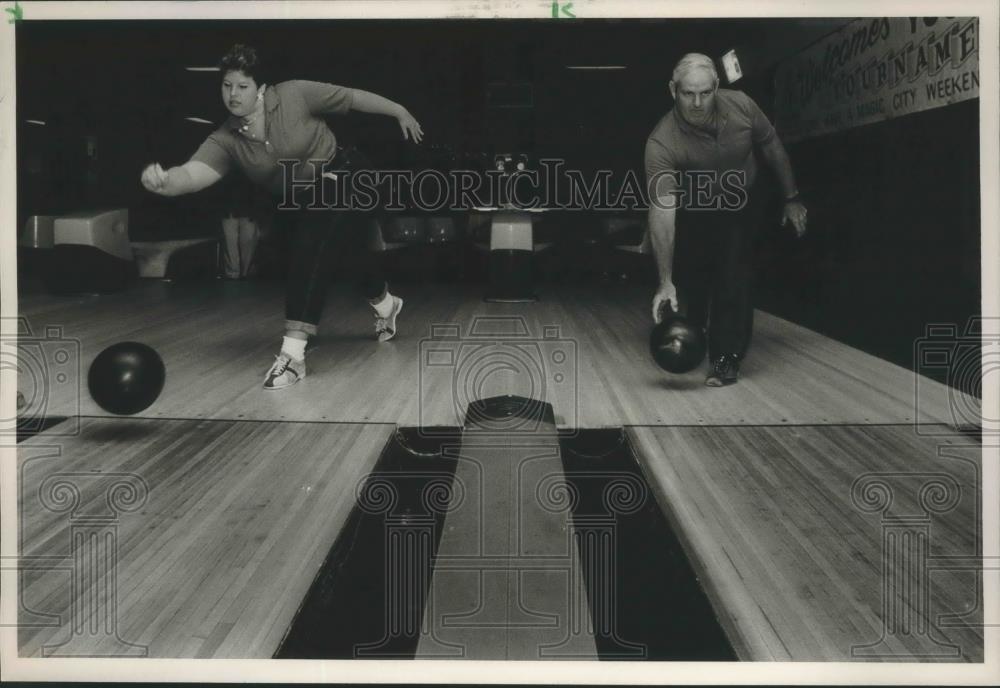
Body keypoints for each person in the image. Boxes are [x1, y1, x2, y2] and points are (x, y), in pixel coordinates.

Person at [140, 44, 423, 390]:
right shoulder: (225, 139)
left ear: (260, 89)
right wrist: (165, 181)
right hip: (301, 200)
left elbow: (351, 98)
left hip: (346, 173)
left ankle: (292, 356)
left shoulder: (294, 95)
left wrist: (399, 110)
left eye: (242, 87)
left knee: (313, 243)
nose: (233, 95)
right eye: (227, 86)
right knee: (341, 256)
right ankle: (385, 303)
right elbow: (192, 174)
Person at [645, 53, 807, 387]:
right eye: (688, 93)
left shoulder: (743, 106)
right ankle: (698, 322)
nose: (697, 102)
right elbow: (662, 208)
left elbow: (771, 145)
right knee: (696, 275)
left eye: (705, 92)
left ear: (717, 86)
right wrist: (664, 280)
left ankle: (725, 357)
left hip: (741, 201)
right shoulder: (661, 142)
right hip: (695, 209)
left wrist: (791, 198)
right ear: (672, 90)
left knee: (733, 273)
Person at [220, 177, 261, 279]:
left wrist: (255, 211)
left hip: (247, 211)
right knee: (230, 243)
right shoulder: (224, 169)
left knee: (248, 241)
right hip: (229, 211)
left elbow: (257, 190)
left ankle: (245, 272)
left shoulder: (251, 169)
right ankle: (233, 273)